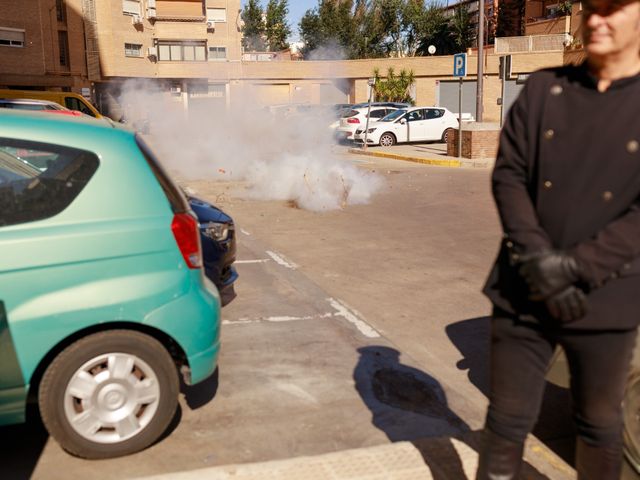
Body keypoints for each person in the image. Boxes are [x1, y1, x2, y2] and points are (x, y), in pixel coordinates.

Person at [478, 1, 640, 479]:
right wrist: (539, 261)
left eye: (612, 9)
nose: (596, 20)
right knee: (505, 422)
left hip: (607, 296)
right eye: (591, 8)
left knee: (599, 425)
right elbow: (508, 177)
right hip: (523, 288)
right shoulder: (544, 89)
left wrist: (573, 269)